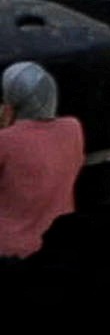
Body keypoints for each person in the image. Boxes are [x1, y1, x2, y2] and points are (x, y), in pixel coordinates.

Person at [0, 64, 79, 260]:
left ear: (10, 106)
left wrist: (5, 125)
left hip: (10, 250)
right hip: (59, 242)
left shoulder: (6, 141)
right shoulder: (73, 129)